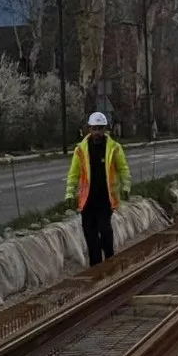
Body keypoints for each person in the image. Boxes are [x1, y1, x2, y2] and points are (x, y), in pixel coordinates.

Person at [65, 111, 131, 268]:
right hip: (87, 201)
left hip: (105, 199)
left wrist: (126, 187)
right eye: (94, 129)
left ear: (105, 129)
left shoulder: (114, 148)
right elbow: (73, 174)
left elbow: (123, 169)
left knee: (105, 231)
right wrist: (69, 193)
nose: (97, 133)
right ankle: (96, 269)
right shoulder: (80, 150)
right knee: (90, 236)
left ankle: (110, 261)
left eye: (100, 129)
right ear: (89, 129)